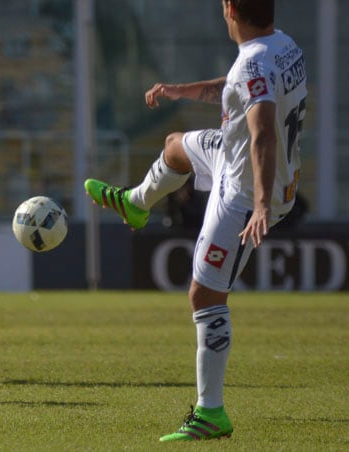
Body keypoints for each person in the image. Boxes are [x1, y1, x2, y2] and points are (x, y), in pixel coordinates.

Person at [84, 0, 306, 441]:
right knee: (174, 146)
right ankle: (136, 202)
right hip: (231, 155)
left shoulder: (255, 60)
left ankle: (211, 412)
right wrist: (181, 91)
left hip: (244, 192)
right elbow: (240, 88)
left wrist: (261, 204)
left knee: (204, 293)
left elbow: (263, 131)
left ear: (229, 9)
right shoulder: (281, 46)